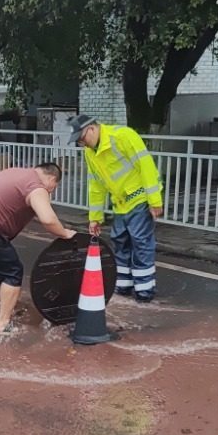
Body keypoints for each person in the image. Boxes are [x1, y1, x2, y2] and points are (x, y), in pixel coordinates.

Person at [0, 163, 77, 334]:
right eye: (54, 187)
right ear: (51, 178)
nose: (52, 191)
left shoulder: (15, 172)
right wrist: (65, 233)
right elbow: (48, 219)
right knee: (13, 271)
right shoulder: (37, 187)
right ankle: (3, 325)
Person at [70, 114, 163, 302]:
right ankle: (124, 285)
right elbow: (95, 185)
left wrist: (154, 200)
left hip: (139, 198)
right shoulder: (90, 152)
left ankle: (144, 290)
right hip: (120, 203)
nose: (82, 144)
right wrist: (95, 217)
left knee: (140, 242)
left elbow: (146, 166)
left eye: (82, 138)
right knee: (120, 241)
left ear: (92, 129)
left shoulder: (123, 136)